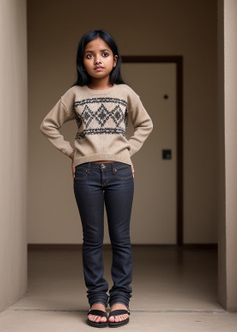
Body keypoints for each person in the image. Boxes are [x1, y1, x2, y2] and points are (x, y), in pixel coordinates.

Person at [40, 29, 153, 328]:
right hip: (86, 174)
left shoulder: (126, 92)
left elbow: (145, 124)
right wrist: (72, 153)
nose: (97, 60)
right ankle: (97, 299)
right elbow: (48, 125)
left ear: (115, 59)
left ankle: (120, 298)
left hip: (120, 173)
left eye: (103, 54)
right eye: (89, 55)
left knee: (121, 238)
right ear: (82, 61)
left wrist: (128, 150)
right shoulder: (74, 95)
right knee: (91, 239)